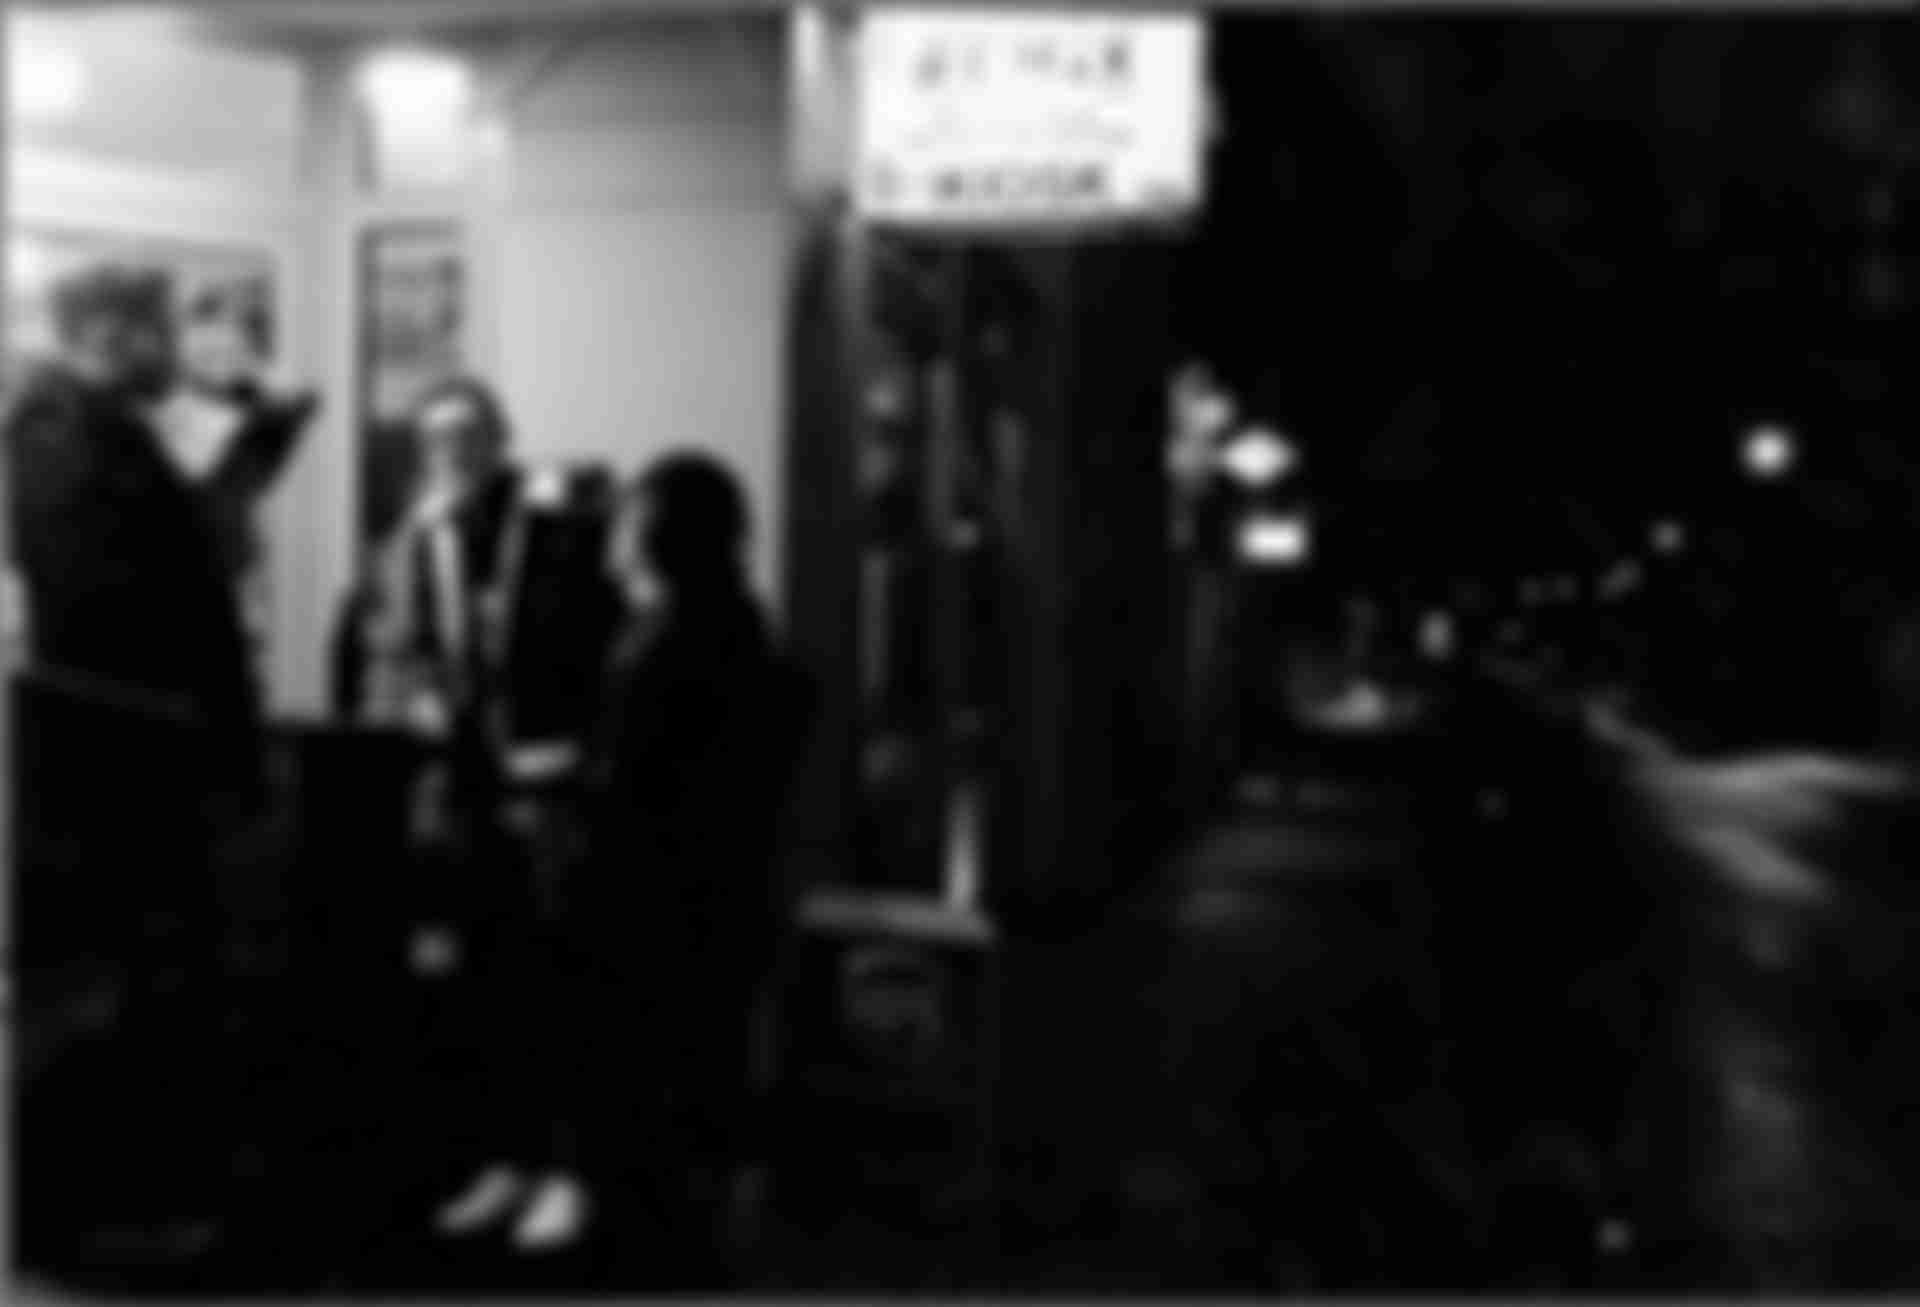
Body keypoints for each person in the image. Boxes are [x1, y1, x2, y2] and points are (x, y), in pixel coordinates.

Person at [432, 452, 810, 1266]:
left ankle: (559, 1166)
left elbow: (639, 782)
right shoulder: (721, 620)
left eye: (630, 516)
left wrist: (549, 784)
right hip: (698, 888)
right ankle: (541, 1163)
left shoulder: (676, 636)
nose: (611, 533)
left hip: (648, 891)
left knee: (513, 946)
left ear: (659, 532)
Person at [6, 265, 269, 1240]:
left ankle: (140, 1196)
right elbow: (109, 600)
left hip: (146, 758)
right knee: (127, 986)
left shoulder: (90, 426)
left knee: (153, 984)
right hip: (126, 767)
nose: (173, 347)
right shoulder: (54, 426)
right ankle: (116, 1208)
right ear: (109, 331)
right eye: (158, 328)